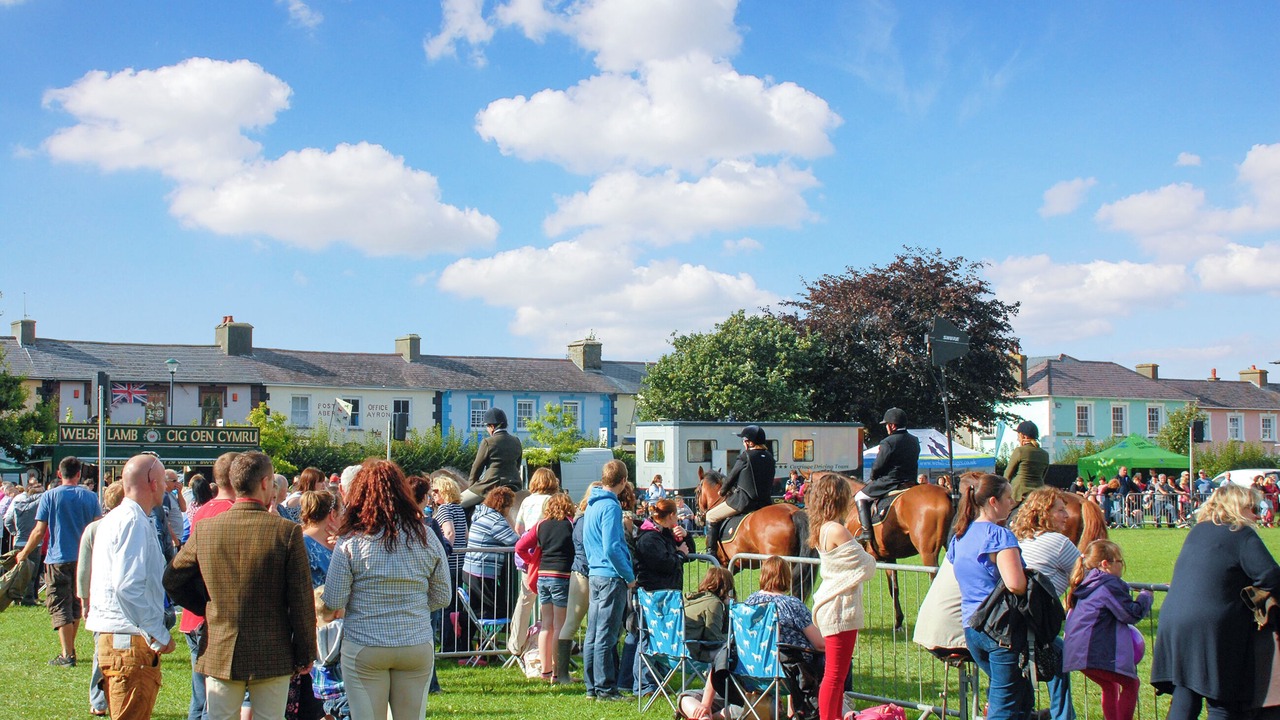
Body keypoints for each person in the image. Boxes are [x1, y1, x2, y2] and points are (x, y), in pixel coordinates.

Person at [165, 451, 317, 720]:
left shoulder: (207, 529)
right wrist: (306, 651)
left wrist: (207, 604)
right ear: (264, 482)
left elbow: (173, 579)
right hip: (272, 649)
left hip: (221, 644)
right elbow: (301, 598)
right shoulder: (285, 532)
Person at [320, 460, 451, 720]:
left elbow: (334, 599)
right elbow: (443, 596)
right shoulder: (426, 536)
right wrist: (412, 605)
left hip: (365, 643)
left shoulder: (351, 540)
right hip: (415, 641)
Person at [1151, 483, 1280, 720]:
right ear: (1237, 507)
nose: (1256, 515)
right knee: (1222, 702)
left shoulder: (1197, 531)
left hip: (1174, 620)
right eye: (1252, 508)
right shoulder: (1240, 533)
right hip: (1213, 625)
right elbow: (1271, 575)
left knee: (1186, 692)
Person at [86, 453, 178, 719]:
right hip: (128, 642)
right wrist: (157, 632)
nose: (166, 487)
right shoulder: (132, 521)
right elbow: (127, 586)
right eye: (163, 481)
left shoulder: (123, 518)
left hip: (119, 639)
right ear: (152, 482)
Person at [681, 556, 825, 720]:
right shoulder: (792, 605)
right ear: (786, 577)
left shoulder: (748, 604)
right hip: (785, 674)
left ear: (763, 576)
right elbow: (819, 644)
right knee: (804, 655)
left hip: (748, 672)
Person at [947, 472, 1030, 720]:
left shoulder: (961, 536)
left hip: (972, 627)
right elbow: (1016, 584)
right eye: (1008, 497)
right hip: (1000, 629)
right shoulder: (999, 536)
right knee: (1004, 706)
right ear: (993, 501)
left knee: (1020, 695)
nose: (1013, 502)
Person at [18, 455, 102, 667]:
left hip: (58, 557)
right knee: (76, 603)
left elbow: (39, 531)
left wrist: (24, 553)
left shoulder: (50, 496)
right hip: (84, 558)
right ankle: (70, 649)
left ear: (59, 473)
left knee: (59, 603)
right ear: (79, 474)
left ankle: (67, 654)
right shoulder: (90, 497)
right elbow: (98, 528)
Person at [806, 471, 876, 720]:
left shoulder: (823, 528)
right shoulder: (837, 529)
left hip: (832, 605)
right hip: (839, 608)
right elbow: (867, 565)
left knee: (836, 675)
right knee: (835, 675)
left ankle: (833, 716)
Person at [176, 451, 238, 720]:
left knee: (200, 698)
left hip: (194, 616)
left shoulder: (203, 510)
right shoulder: (232, 512)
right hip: (215, 617)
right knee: (214, 702)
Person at [1010, 487, 1080, 720]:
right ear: (1044, 513)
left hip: (1013, 621)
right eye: (1060, 510)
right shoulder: (1058, 542)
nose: (1067, 516)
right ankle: (1062, 716)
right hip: (1034, 624)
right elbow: (1086, 575)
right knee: (1061, 656)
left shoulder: (1018, 538)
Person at [1062, 540, 1152, 720]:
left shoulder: (1087, 582)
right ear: (1105, 564)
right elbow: (1130, 614)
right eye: (1120, 561)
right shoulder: (1107, 584)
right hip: (1093, 652)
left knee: (1110, 685)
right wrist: (1146, 596)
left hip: (1075, 652)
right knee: (1131, 684)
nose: (1122, 566)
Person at [626, 498, 695, 695]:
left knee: (660, 637)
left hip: (666, 593)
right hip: (653, 594)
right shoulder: (649, 537)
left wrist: (686, 536)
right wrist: (679, 555)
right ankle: (644, 685)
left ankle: (657, 680)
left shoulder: (664, 534)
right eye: (677, 516)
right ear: (671, 515)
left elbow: (690, 551)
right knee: (647, 638)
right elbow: (664, 563)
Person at [583, 459, 635, 702]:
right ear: (623, 481)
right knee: (606, 635)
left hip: (595, 573)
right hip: (610, 576)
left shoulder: (591, 504)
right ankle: (605, 688)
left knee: (593, 633)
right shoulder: (611, 507)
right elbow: (612, 547)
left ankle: (592, 686)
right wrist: (629, 576)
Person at [515, 491, 576, 683]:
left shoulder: (541, 525)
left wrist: (530, 560)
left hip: (542, 575)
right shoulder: (571, 525)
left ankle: (546, 670)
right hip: (562, 576)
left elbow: (520, 546)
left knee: (546, 625)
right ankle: (558, 673)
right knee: (560, 626)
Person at [77, 481, 126, 717]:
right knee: (108, 652)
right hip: (113, 601)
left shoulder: (94, 528)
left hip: (100, 600)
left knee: (101, 650)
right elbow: (84, 569)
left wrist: (84, 600)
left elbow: (83, 569)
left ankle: (102, 700)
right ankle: (103, 698)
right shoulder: (103, 528)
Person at [461, 486, 519, 661]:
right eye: (510, 506)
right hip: (483, 572)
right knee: (497, 610)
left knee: (479, 610)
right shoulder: (495, 520)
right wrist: (509, 518)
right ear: (503, 505)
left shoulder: (481, 515)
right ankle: (488, 652)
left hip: (471, 570)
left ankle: (477, 651)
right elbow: (515, 541)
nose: (510, 509)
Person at [704, 425, 776, 557]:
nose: (743, 443)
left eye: (744, 440)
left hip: (744, 502)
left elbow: (732, 476)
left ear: (750, 443)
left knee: (711, 516)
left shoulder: (745, 456)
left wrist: (723, 491)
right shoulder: (770, 458)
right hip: (765, 503)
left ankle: (711, 552)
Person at [510, 467, 560, 660]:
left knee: (525, 599)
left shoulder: (527, 500)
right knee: (547, 601)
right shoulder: (551, 501)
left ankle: (516, 643)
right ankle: (542, 643)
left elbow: (518, 528)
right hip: (546, 555)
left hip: (528, 555)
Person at [855, 408, 920, 543]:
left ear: (892, 426)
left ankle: (866, 532)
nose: (886, 428)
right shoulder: (914, 440)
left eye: (886, 425)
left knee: (859, 496)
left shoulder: (888, 442)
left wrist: (874, 477)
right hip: (911, 481)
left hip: (891, 481)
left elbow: (878, 466)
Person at [462, 407, 522, 509]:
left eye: (487, 426)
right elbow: (518, 465)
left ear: (492, 426)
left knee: (455, 504)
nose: (487, 429)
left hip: (491, 485)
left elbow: (477, 467)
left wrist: (471, 487)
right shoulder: (516, 441)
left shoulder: (488, 442)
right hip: (515, 485)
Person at [4, 476, 43, 605]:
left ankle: (14, 598)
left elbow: (7, 520)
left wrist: (15, 532)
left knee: (17, 573)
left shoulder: (17, 503)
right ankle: (28, 598)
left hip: (19, 541)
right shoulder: (37, 505)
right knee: (32, 573)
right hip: (34, 542)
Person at [683, 566, 734, 663]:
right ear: (726, 587)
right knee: (730, 648)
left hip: (672, 653)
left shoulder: (688, 598)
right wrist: (732, 638)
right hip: (692, 655)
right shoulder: (713, 603)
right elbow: (713, 641)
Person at [1005, 421, 1049, 505]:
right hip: (1038, 493)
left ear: (1023, 436)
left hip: (1019, 494)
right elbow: (1043, 476)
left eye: (1018, 436)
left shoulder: (1020, 451)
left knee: (1004, 511)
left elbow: (1007, 475)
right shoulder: (1045, 454)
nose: (1017, 439)